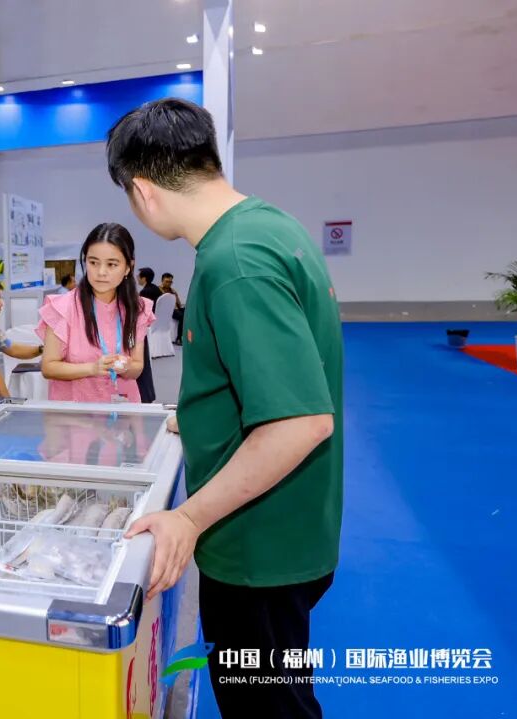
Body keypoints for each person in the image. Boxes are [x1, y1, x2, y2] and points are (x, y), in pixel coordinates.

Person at [108, 98, 343, 719]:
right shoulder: (269, 228)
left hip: (258, 546)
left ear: (143, 191)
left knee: (269, 707)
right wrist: (201, 415)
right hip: (286, 528)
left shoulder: (233, 261)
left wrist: (188, 518)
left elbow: (300, 421)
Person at [36, 223, 155, 403]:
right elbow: (48, 367)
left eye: (112, 264)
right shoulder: (63, 307)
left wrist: (125, 367)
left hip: (123, 410)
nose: (101, 272)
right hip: (75, 412)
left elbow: (138, 367)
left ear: (128, 267)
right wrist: (92, 368)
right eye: (93, 262)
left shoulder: (137, 308)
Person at [161, 272, 186, 345]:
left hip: (176, 309)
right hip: (167, 310)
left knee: (189, 313)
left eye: (170, 282)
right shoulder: (158, 290)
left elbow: (179, 304)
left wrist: (176, 296)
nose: (168, 283)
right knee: (182, 316)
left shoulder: (173, 291)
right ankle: (179, 338)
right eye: (167, 281)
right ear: (162, 281)